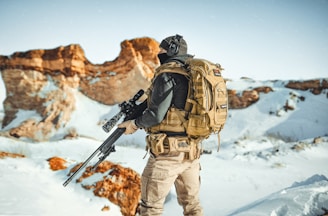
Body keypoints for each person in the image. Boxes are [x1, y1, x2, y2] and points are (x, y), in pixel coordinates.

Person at [118, 34, 203, 216]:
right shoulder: (195, 74)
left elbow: (155, 116)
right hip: (192, 153)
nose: (159, 53)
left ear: (171, 51)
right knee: (192, 206)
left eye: (162, 50)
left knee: (151, 209)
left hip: (167, 154)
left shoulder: (167, 74)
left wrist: (134, 124)